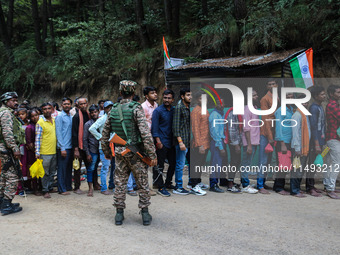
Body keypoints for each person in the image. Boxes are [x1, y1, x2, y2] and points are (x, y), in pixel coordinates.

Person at [101, 80, 157, 226]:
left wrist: (107, 151)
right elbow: (145, 133)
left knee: (119, 183)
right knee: (142, 182)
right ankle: (145, 214)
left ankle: (119, 214)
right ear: (133, 93)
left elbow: (105, 133)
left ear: (120, 93)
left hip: (119, 153)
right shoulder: (136, 108)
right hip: (136, 153)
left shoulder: (113, 109)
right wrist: (152, 155)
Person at [0, 92, 24, 215]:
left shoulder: (4, 112)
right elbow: (7, 133)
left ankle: (2, 201)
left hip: (3, 149)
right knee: (13, 176)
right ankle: (6, 204)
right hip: (7, 149)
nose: (16, 102)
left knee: (4, 175)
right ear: (6, 101)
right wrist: (14, 148)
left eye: (16, 100)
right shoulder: (6, 113)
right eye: (12, 100)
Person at [151, 89, 176, 197]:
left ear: (173, 100)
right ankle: (160, 186)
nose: (166, 100)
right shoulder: (158, 111)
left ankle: (168, 183)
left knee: (173, 163)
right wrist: (158, 141)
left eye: (169, 98)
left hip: (171, 142)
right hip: (161, 142)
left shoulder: (174, 110)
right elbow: (154, 128)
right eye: (165, 98)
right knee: (159, 165)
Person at [72, 98, 100, 194]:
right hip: (79, 146)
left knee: (91, 165)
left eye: (85, 103)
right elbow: (74, 133)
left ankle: (95, 183)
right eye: (81, 104)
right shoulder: (76, 117)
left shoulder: (89, 115)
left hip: (88, 146)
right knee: (77, 168)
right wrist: (76, 149)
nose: (83, 105)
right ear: (78, 105)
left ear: (87, 104)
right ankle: (77, 187)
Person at [89, 101, 115, 195]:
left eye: (112, 107)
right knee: (105, 168)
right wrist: (100, 137)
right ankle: (104, 188)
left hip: (113, 145)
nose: (110, 109)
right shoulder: (102, 119)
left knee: (113, 167)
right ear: (104, 109)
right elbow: (91, 128)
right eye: (108, 107)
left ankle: (112, 186)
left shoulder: (113, 119)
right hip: (104, 147)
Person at [258, 79, 279, 192]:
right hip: (266, 134)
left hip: (275, 132)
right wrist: (270, 137)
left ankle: (263, 182)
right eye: (269, 84)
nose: (271, 86)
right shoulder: (264, 99)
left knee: (269, 161)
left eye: (273, 84)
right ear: (267, 86)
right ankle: (260, 185)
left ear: (277, 85)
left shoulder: (277, 98)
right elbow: (265, 119)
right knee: (263, 160)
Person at [240, 90, 261, 194]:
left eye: (256, 94)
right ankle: (245, 185)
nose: (256, 96)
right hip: (249, 142)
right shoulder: (247, 110)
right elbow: (246, 128)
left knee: (248, 163)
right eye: (254, 95)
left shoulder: (255, 108)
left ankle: (245, 182)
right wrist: (248, 145)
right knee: (246, 163)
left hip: (255, 141)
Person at [273, 93, 294, 195]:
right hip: (283, 142)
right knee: (282, 165)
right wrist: (282, 143)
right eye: (287, 97)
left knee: (285, 165)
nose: (289, 99)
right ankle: (279, 188)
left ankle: (278, 185)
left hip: (289, 141)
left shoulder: (290, 109)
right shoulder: (281, 110)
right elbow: (278, 128)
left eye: (291, 97)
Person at [189, 91, 209, 195]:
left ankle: (198, 182)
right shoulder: (196, 111)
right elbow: (195, 129)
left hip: (206, 143)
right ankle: (193, 186)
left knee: (200, 164)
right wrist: (200, 145)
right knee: (196, 165)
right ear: (197, 100)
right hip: (199, 144)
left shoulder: (204, 109)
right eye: (201, 99)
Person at [307, 86, 326, 196]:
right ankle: (309, 187)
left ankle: (312, 185)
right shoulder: (314, 108)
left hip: (321, 140)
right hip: (316, 141)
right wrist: (316, 143)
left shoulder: (320, 107)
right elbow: (313, 127)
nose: (324, 96)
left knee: (315, 164)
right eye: (322, 94)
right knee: (311, 164)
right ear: (315, 96)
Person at [35, 102, 57, 199]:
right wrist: (37, 152)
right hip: (45, 152)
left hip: (54, 151)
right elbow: (38, 139)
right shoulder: (40, 122)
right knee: (45, 173)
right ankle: (45, 190)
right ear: (42, 111)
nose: (47, 110)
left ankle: (50, 187)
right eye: (45, 109)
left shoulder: (54, 120)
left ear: (52, 109)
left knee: (52, 172)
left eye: (49, 108)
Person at [290, 95, 311, 198]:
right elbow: (295, 134)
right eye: (302, 102)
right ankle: (294, 190)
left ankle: (297, 188)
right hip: (298, 148)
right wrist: (297, 148)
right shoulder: (297, 115)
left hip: (304, 147)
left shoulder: (305, 115)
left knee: (300, 169)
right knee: (296, 169)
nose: (305, 104)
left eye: (306, 102)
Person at [172, 88, 191, 195]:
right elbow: (176, 127)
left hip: (187, 141)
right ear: (182, 96)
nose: (190, 97)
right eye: (188, 95)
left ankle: (186, 184)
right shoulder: (179, 107)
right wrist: (180, 142)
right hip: (181, 142)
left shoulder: (188, 107)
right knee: (180, 164)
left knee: (183, 163)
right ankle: (178, 187)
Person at [323, 85, 340, 199]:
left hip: (331, 138)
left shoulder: (333, 105)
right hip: (333, 139)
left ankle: (327, 184)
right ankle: (330, 188)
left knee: (328, 162)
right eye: (338, 93)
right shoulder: (332, 106)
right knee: (336, 163)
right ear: (331, 94)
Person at [55, 97, 73, 195]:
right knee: (61, 169)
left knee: (68, 168)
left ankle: (67, 186)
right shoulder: (59, 117)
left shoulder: (70, 116)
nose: (66, 106)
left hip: (70, 146)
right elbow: (58, 133)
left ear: (71, 105)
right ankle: (61, 189)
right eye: (65, 104)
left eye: (68, 104)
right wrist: (62, 148)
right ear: (61, 105)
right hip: (63, 147)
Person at [208, 100, 226, 193]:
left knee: (218, 164)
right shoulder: (215, 115)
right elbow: (215, 133)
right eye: (219, 103)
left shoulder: (220, 114)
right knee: (216, 164)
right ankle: (213, 185)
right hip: (216, 143)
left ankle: (216, 183)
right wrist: (220, 147)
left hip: (220, 141)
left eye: (223, 103)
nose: (221, 105)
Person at [224, 104, 242, 193]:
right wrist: (236, 144)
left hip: (237, 142)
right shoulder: (233, 113)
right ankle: (230, 184)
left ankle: (231, 181)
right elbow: (232, 129)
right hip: (234, 143)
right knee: (234, 162)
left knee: (236, 162)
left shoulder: (238, 112)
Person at [83, 104, 101, 197]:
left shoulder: (101, 121)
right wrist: (87, 153)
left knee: (96, 168)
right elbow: (85, 139)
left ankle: (96, 184)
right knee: (90, 169)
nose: (94, 114)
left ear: (98, 112)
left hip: (100, 149)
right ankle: (90, 189)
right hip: (92, 150)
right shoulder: (88, 124)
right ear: (90, 114)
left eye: (95, 112)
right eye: (92, 112)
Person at [26, 108, 42, 196]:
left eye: (36, 115)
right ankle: (35, 189)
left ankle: (40, 187)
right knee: (34, 171)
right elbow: (30, 143)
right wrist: (36, 151)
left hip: (39, 150)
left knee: (39, 170)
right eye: (32, 116)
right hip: (32, 152)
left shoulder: (40, 124)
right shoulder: (29, 127)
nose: (35, 117)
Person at [17, 108, 29, 196]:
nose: (21, 116)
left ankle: (27, 185)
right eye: (19, 114)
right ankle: (20, 187)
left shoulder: (29, 123)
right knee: (21, 166)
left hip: (28, 148)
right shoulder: (17, 124)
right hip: (21, 147)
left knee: (27, 166)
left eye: (23, 114)